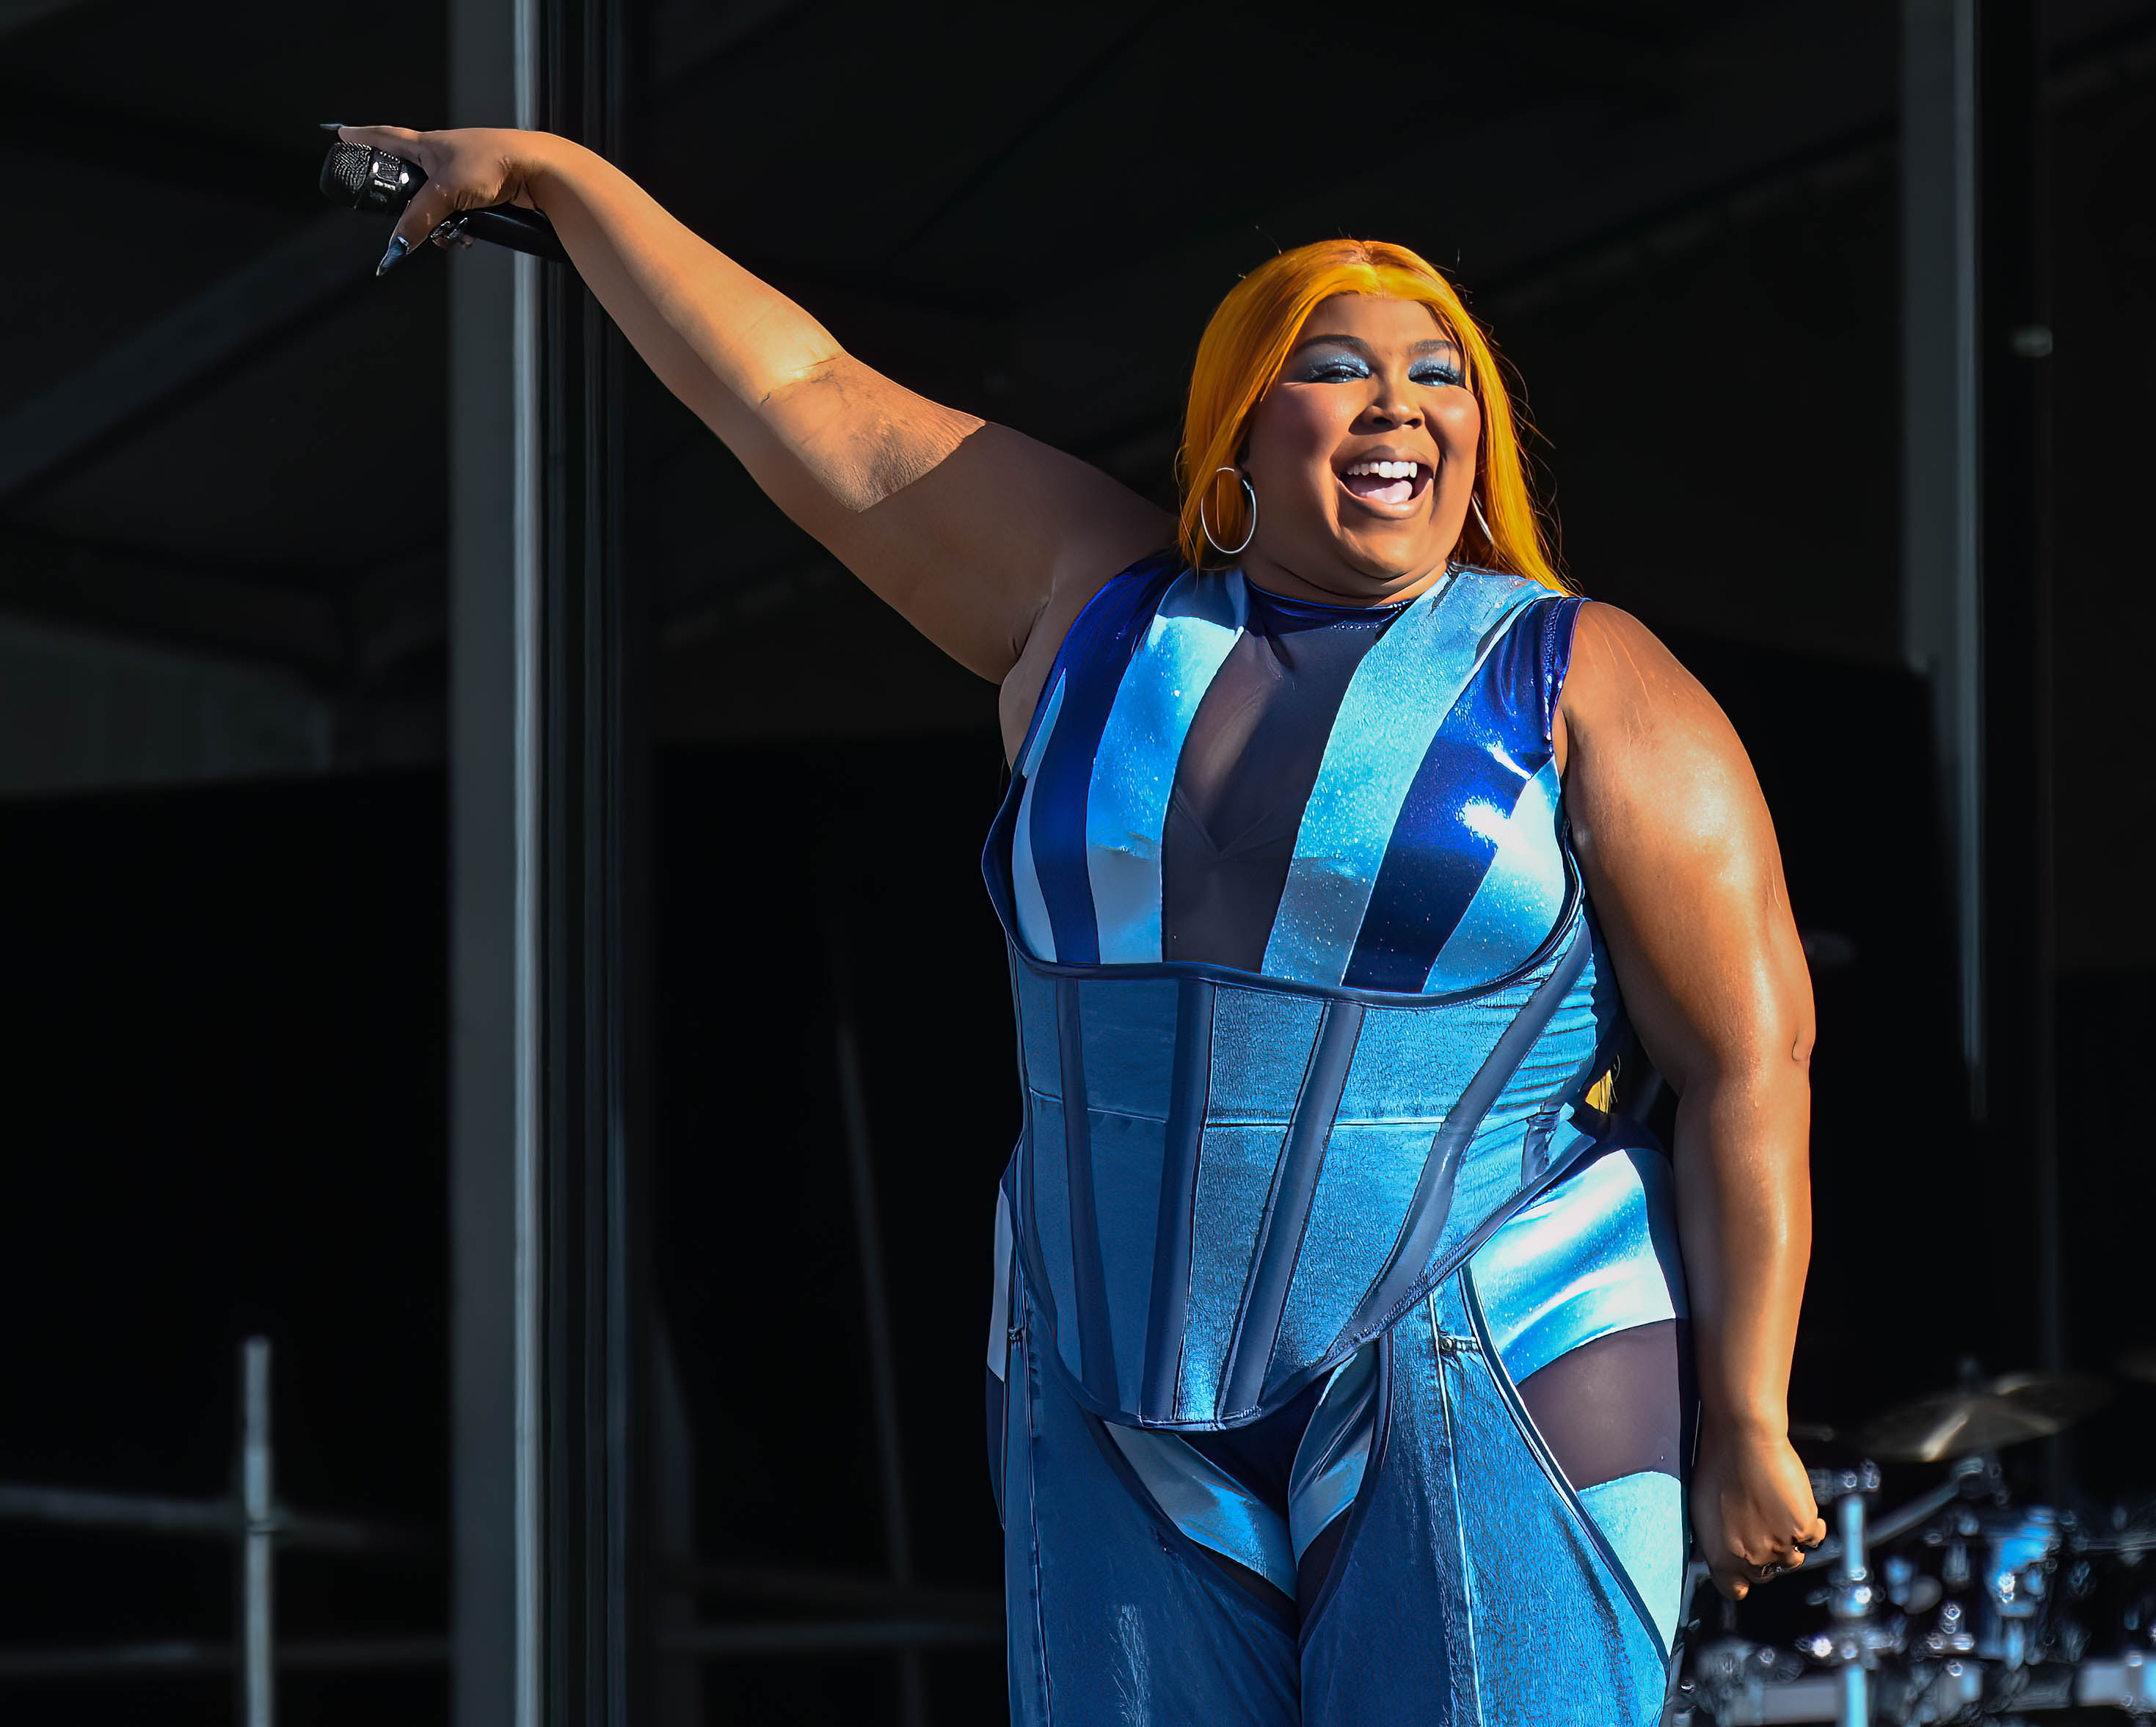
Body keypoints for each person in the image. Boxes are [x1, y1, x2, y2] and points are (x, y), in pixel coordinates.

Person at [341, 123, 1823, 1721]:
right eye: (1337, 364)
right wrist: (561, 175)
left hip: (1491, 1363)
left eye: (1440, 373)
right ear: (1240, 423)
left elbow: (1752, 1055)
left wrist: (1747, 1411)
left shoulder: (1588, 679)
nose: (1401, 401)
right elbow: (803, 400)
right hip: (1101, 1394)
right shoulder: (1092, 606)